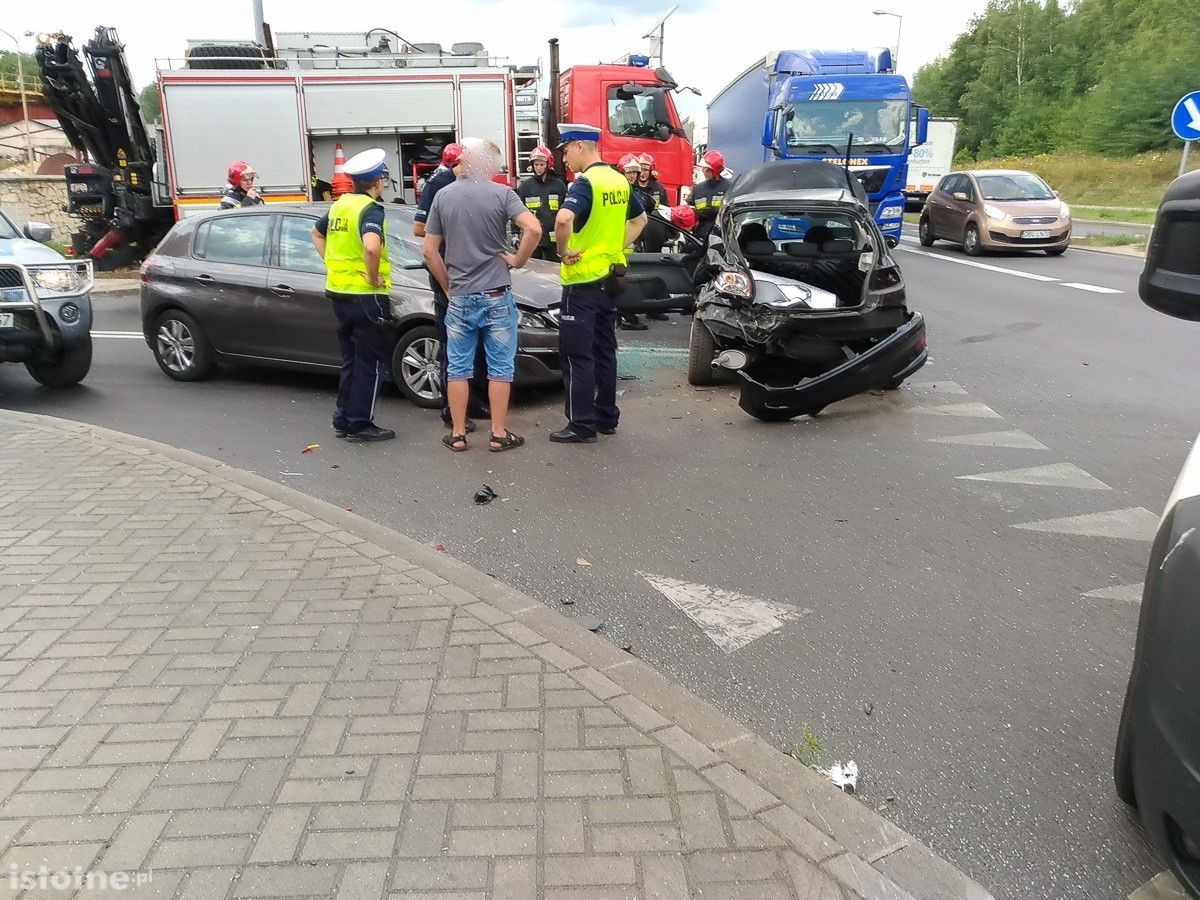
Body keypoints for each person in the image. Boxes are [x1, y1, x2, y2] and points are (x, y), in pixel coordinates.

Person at [423, 139, 542, 453]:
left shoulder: (443, 196)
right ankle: (498, 434)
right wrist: (518, 260)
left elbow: (429, 251)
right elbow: (534, 229)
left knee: (458, 367)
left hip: (460, 296)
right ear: (487, 165)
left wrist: (447, 286)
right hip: (496, 293)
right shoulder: (503, 194)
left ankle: (458, 434)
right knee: (500, 367)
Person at [550, 123, 646, 444]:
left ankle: (581, 424)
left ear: (580, 146)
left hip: (581, 283)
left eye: (566, 151)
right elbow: (640, 220)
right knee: (605, 352)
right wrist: (615, 246)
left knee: (577, 356)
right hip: (610, 281)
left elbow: (563, 219)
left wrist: (563, 251)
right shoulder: (619, 180)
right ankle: (606, 417)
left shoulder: (585, 183)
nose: (564, 158)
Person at [309, 148, 395, 443]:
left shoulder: (340, 205)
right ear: (378, 182)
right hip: (365, 296)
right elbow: (371, 246)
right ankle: (360, 423)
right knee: (370, 361)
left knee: (351, 359)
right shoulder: (371, 209)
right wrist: (372, 276)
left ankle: (343, 418)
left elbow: (316, 234)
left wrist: (332, 263)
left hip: (339, 292)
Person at [413, 142, 490, 432]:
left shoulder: (459, 182)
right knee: (454, 345)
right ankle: (451, 410)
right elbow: (419, 229)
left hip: (467, 270)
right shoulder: (441, 184)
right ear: (459, 163)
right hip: (448, 272)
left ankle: (474, 402)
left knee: (476, 339)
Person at [634, 153, 671, 320]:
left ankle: (654, 308)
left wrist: (666, 234)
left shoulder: (659, 189)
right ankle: (633, 309)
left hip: (654, 237)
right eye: (640, 169)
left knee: (654, 271)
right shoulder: (631, 188)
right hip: (635, 237)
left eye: (646, 170)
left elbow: (666, 211)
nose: (642, 173)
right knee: (636, 273)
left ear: (651, 171)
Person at [515, 146, 569, 261]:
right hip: (533, 238)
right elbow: (517, 212)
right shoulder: (525, 187)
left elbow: (566, 212)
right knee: (533, 269)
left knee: (555, 269)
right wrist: (515, 234)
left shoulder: (559, 185)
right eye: (536, 165)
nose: (538, 168)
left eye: (541, 164)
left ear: (548, 165)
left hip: (554, 240)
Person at [616, 155, 650, 331]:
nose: (633, 175)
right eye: (629, 172)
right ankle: (625, 316)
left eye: (635, 172)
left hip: (632, 243)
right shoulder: (620, 191)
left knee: (628, 281)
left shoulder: (634, 191)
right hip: (620, 243)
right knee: (622, 282)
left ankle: (627, 313)